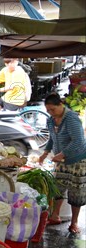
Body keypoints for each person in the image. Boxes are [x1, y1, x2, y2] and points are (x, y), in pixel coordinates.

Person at [37, 93, 86, 235]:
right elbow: (52, 138)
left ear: (60, 105)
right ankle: (55, 216)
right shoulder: (51, 120)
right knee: (57, 188)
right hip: (61, 160)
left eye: (53, 109)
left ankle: (74, 223)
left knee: (76, 192)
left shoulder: (71, 119)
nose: (51, 113)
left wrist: (61, 154)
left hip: (78, 160)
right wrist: (45, 153)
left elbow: (78, 141)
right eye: (48, 111)